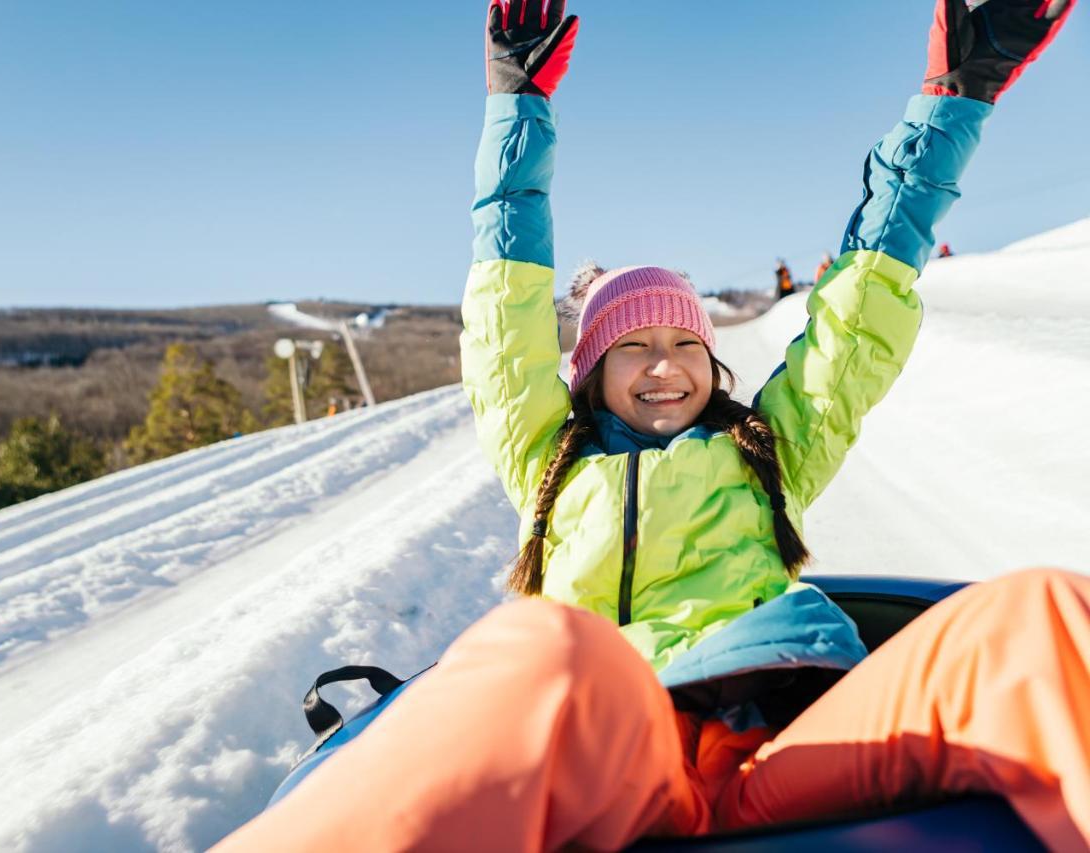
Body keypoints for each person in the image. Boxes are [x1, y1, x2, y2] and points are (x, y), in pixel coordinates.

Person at [213, 1, 1086, 850]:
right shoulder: (549, 455)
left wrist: (953, 101)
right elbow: (504, 308)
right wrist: (518, 105)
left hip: (790, 741)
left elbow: (859, 311)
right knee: (540, 640)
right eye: (633, 346)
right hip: (613, 750)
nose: (665, 365)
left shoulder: (768, 450)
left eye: (684, 342)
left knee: (1041, 612)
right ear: (589, 373)